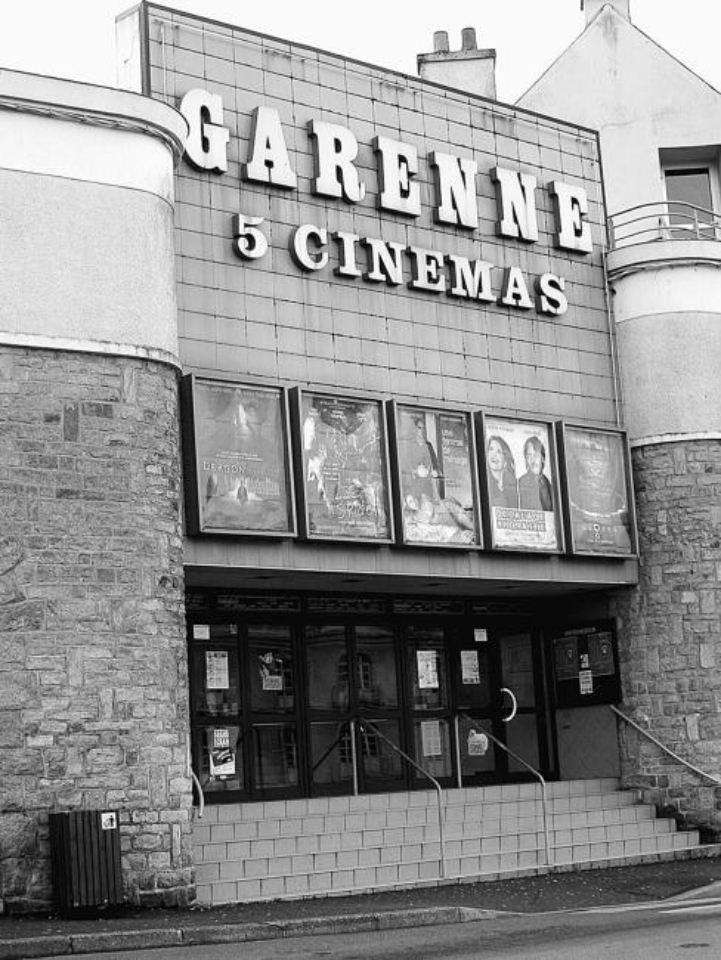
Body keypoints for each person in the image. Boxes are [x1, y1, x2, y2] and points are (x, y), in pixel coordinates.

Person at [518, 435, 553, 511]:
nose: (533, 460)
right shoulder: (521, 483)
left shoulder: (547, 482)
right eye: (529, 456)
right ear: (526, 460)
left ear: (542, 458)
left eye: (536, 455)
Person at [486, 435, 518, 507]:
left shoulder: (515, 484)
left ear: (505, 460)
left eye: (499, 452)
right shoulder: (484, 483)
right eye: (491, 449)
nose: (494, 455)